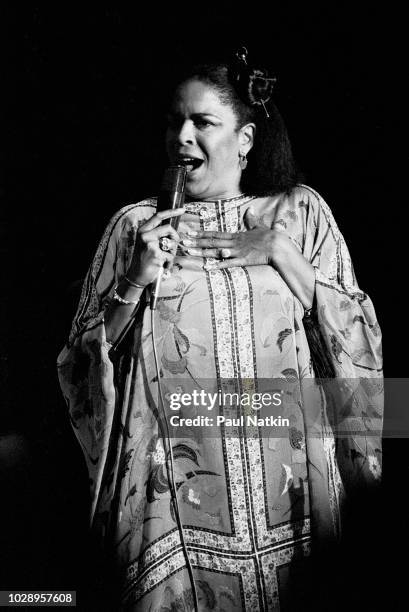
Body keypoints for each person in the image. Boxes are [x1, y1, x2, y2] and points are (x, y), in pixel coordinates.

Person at [57, 49, 383, 611]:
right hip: (173, 502)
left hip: (294, 490)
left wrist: (282, 254)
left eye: (202, 123)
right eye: (173, 121)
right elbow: (78, 364)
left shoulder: (298, 215)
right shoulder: (135, 226)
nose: (181, 136)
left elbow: (365, 345)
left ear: (246, 139)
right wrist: (135, 279)